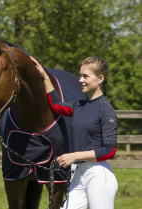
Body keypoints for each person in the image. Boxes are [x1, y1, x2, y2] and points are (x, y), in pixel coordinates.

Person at [30, 56, 118, 209]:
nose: (80, 80)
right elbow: (56, 106)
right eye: (80, 75)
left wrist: (75, 156)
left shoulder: (106, 110)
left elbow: (110, 151)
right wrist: (44, 75)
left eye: (85, 76)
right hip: (78, 174)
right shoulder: (79, 105)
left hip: (98, 176)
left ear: (100, 78)